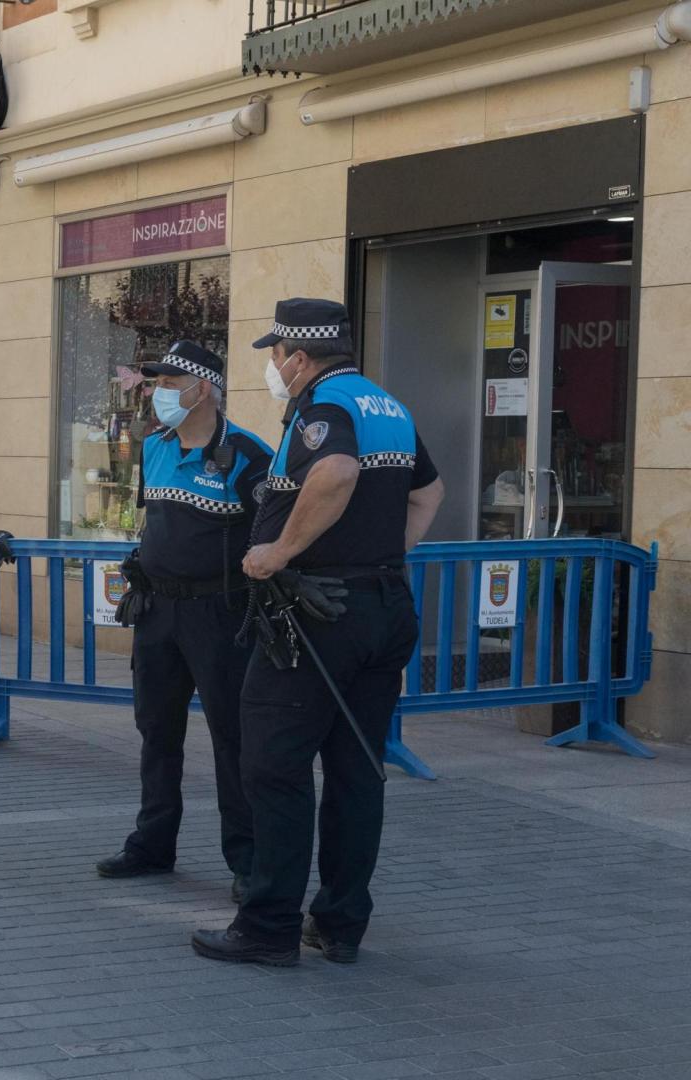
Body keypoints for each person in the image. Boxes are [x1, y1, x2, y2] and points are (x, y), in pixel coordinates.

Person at [192, 299, 445, 968]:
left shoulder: (323, 408)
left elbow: (335, 472)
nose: (274, 368)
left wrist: (278, 551)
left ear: (300, 357)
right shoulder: (385, 406)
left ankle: (268, 925)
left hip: (317, 617)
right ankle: (339, 923)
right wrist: (386, 558)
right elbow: (429, 492)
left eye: (276, 355)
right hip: (380, 607)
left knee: (273, 767)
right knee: (358, 769)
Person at [94, 342, 268, 905]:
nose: (159, 391)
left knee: (232, 739)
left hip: (220, 614)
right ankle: (152, 843)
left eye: (171, 380)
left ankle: (247, 862)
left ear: (206, 388)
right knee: (156, 732)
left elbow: (269, 535)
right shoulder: (155, 448)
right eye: (155, 381)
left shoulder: (249, 454)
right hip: (158, 611)